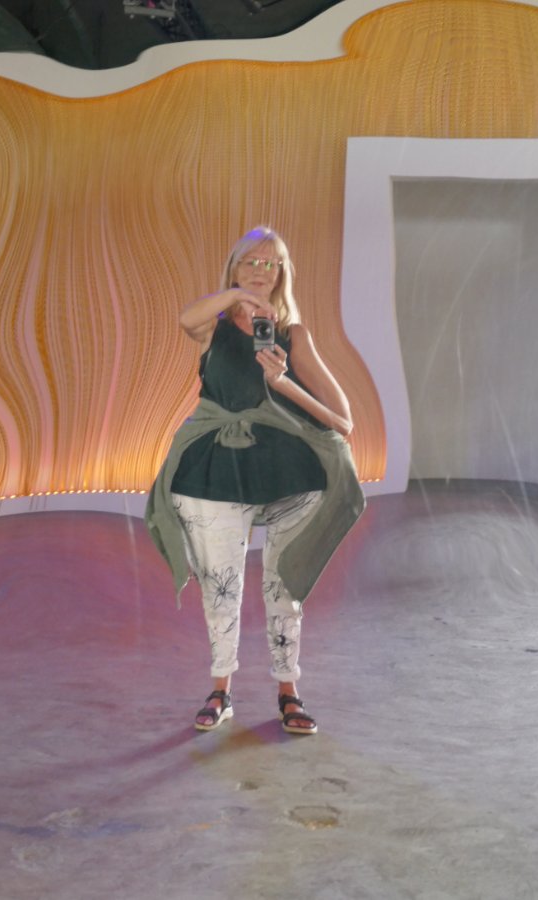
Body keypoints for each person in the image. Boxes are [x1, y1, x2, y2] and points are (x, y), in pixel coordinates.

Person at [145, 225, 365, 735]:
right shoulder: (213, 325)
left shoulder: (294, 335)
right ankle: (220, 690)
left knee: (283, 584)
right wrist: (237, 297)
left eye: (271, 263)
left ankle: (289, 691)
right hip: (212, 469)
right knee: (220, 584)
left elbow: (343, 421)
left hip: (287, 471)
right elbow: (185, 319)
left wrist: (281, 382)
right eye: (251, 262)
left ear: (283, 273)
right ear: (235, 268)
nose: (262, 270)